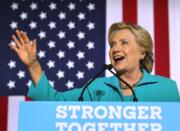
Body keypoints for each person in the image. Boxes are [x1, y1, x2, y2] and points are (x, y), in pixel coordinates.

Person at [10, 22, 180, 101]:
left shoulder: (166, 88)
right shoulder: (96, 88)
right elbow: (54, 103)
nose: (115, 49)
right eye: (112, 44)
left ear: (143, 52)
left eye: (124, 43)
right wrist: (33, 64)